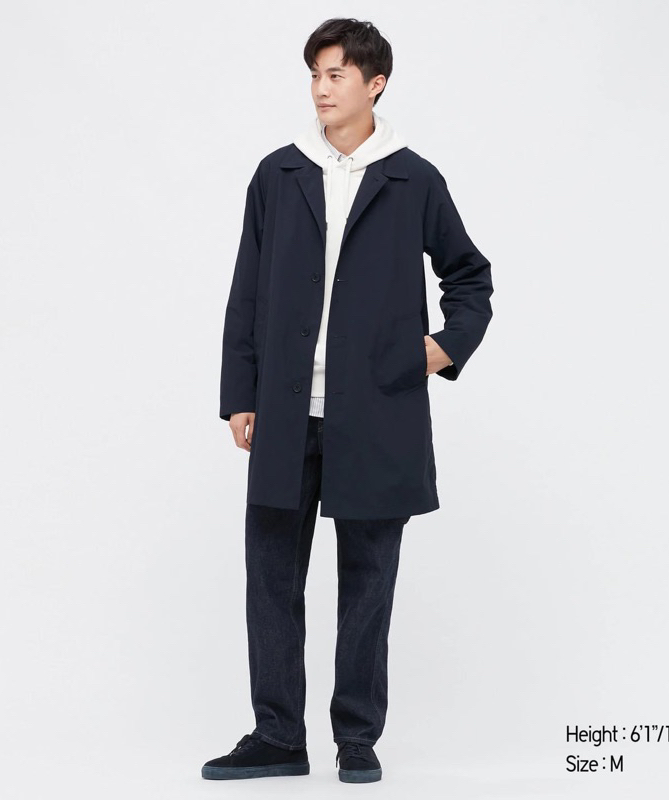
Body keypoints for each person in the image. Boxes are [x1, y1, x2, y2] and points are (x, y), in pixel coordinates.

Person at [202, 17, 493, 783]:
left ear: (375, 84)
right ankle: (277, 737)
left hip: (378, 410)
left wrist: (441, 347)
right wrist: (239, 394)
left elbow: (469, 276)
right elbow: (246, 291)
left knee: (368, 581)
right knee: (271, 576)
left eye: (336, 74)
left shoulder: (413, 178)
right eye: (315, 74)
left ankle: (356, 738)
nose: (321, 88)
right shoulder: (279, 173)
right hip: (284, 410)